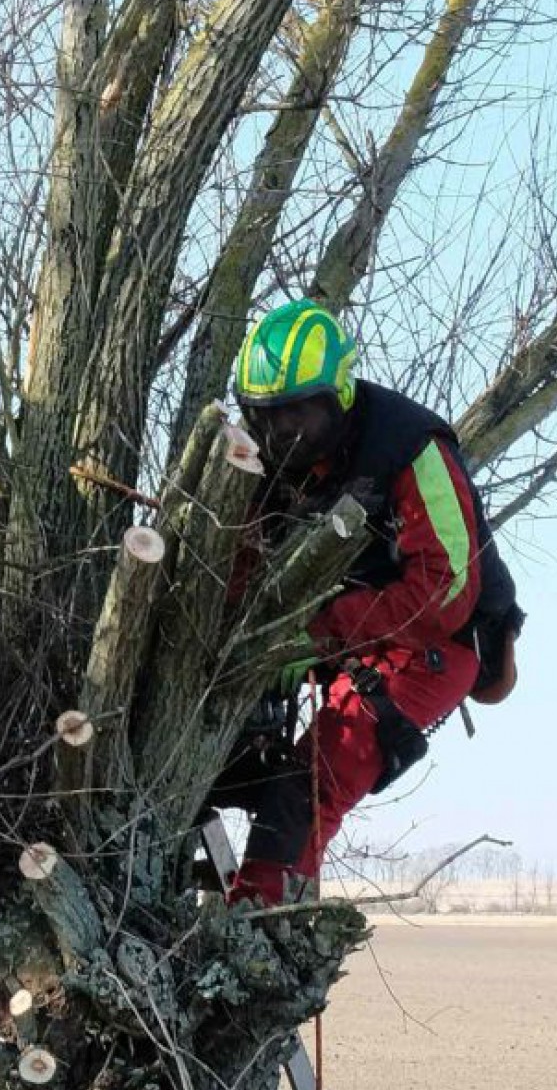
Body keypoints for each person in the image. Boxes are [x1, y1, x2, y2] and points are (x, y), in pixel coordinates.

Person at [204, 300, 519, 906]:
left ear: (338, 397)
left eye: (298, 415)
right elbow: (234, 565)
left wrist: (313, 634)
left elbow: (446, 591)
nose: (281, 435)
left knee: (318, 775)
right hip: (336, 632)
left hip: (432, 643)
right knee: (234, 763)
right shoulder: (260, 458)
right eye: (266, 417)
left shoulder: (408, 447)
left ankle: (261, 918)